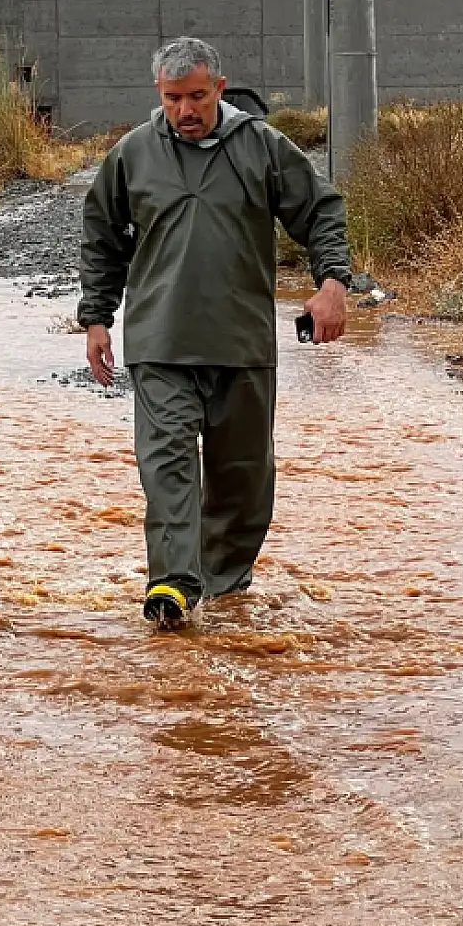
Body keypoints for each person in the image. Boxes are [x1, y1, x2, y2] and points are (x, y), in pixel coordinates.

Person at [78, 37, 352, 630]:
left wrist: (332, 283)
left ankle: (223, 590)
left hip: (243, 342)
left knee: (243, 477)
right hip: (159, 343)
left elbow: (321, 209)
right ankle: (174, 585)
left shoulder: (261, 147)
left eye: (197, 96)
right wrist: (96, 316)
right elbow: (101, 238)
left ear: (219, 89)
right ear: (159, 94)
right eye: (174, 98)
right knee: (167, 466)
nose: (186, 110)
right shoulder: (131, 155)